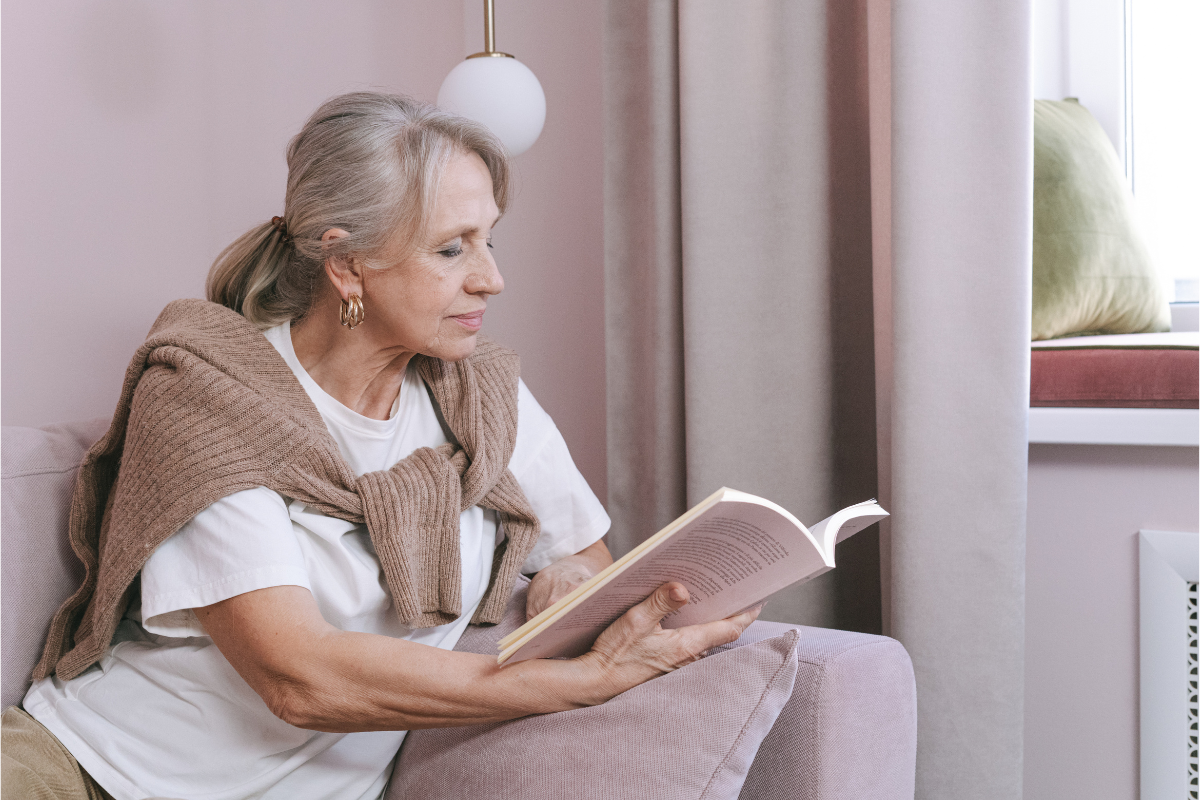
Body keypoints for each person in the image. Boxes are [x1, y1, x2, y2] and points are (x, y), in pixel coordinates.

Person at [1, 92, 759, 800]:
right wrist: (581, 680)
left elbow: (587, 554)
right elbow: (299, 679)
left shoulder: (484, 401)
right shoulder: (212, 399)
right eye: (453, 250)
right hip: (90, 772)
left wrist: (565, 582)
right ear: (347, 263)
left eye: (489, 240)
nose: (493, 278)